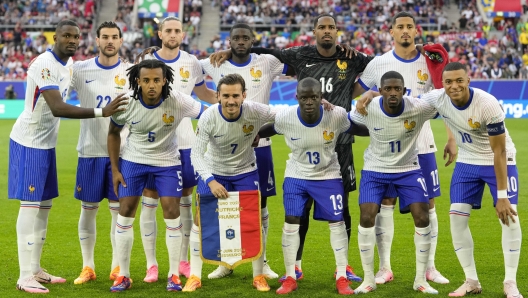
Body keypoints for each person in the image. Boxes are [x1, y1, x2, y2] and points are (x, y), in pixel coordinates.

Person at [210, 13, 371, 282]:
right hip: (303, 134)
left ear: (337, 31)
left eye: (332, 27)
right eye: (322, 27)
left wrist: (364, 92)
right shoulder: (300, 54)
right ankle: (295, 264)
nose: (327, 31)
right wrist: (233, 50)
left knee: (342, 207)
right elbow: (267, 52)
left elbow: (381, 65)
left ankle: (344, 267)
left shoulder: (353, 58)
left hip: (339, 140)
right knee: (300, 209)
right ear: (315, 31)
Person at [8, 19, 127, 294]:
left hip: (46, 143)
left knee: (44, 206)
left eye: (75, 36)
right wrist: (102, 112)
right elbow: (58, 108)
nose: (72, 40)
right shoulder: (44, 64)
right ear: (55, 37)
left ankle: (36, 268)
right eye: (66, 36)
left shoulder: (67, 66)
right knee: (30, 205)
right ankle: (24, 275)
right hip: (29, 142)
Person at [353, 11, 451, 285]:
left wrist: (451, 137)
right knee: (386, 203)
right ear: (391, 32)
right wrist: (369, 93)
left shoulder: (429, 61)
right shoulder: (379, 63)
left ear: (416, 30)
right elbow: (357, 92)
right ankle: (385, 267)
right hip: (387, 150)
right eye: (400, 27)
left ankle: (429, 268)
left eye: (410, 26)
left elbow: (443, 98)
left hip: (422, 143)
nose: (405, 31)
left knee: (428, 206)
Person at [199, 22, 295, 280]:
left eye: (246, 38)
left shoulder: (267, 62)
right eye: (236, 38)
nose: (241, 41)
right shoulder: (214, 63)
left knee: (259, 207)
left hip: (259, 145)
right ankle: (226, 261)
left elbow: (295, 63)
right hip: (225, 147)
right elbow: (186, 67)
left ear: (253, 40)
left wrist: (261, 132)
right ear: (228, 41)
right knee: (224, 208)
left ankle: (260, 261)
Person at [419, 62, 522, 298]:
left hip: (499, 160)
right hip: (467, 162)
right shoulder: (437, 98)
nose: (454, 86)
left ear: (468, 81)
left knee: (510, 218)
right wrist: (370, 97)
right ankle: (471, 280)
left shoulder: (487, 104)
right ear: (443, 84)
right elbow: (409, 106)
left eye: (459, 81)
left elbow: (500, 152)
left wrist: (503, 197)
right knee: (456, 218)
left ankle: (510, 283)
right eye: (448, 82)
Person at [258, 77, 368, 295]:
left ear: (321, 98)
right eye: (305, 98)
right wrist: (255, 135)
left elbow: (356, 128)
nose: (309, 102)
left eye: (314, 97)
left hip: (328, 175)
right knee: (291, 222)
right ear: (296, 97)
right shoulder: (287, 117)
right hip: (296, 176)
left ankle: (342, 276)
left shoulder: (335, 115)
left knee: (337, 222)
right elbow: (271, 128)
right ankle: (290, 277)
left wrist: (380, 129)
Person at [107, 59, 206, 292]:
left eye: (156, 80)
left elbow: (207, 114)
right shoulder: (126, 102)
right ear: (138, 81)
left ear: (165, 80)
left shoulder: (178, 100)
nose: (152, 85)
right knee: (125, 213)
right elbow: (113, 133)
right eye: (146, 80)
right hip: (133, 161)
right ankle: (124, 275)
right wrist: (114, 169)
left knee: (172, 211)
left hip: (167, 163)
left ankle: (173, 275)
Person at [138, 16, 217, 283]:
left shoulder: (191, 62)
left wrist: (230, 102)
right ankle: (151, 264)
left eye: (177, 31)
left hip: (186, 143)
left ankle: (182, 261)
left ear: (183, 35)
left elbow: (203, 93)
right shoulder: (147, 63)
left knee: (184, 203)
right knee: (150, 201)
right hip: (155, 145)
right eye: (168, 31)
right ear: (159, 33)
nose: (172, 34)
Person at [183, 73, 278, 293]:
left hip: (245, 172)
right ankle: (195, 276)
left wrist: (260, 131)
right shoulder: (208, 117)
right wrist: (211, 181)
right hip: (214, 171)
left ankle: (258, 275)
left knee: (252, 221)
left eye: (236, 95)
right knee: (200, 220)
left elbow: (282, 115)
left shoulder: (255, 110)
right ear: (217, 96)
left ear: (244, 95)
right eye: (225, 96)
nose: (231, 100)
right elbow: (196, 155)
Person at [351, 71, 439, 294]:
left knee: (422, 214)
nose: (392, 93)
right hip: (375, 170)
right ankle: (369, 279)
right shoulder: (367, 108)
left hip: (408, 169)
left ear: (403, 90)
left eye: (397, 89)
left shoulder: (417, 107)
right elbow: (347, 122)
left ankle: (420, 279)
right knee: (367, 215)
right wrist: (365, 96)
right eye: (387, 89)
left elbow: (441, 98)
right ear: (380, 91)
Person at [69, 21, 132, 285]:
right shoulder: (80, 69)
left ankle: (117, 266)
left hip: (122, 154)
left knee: (119, 213)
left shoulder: (132, 71)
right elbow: (57, 86)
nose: (109, 41)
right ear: (96, 40)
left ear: (121, 40)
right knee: (88, 210)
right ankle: (88, 266)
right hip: (90, 152)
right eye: (104, 36)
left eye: (114, 37)